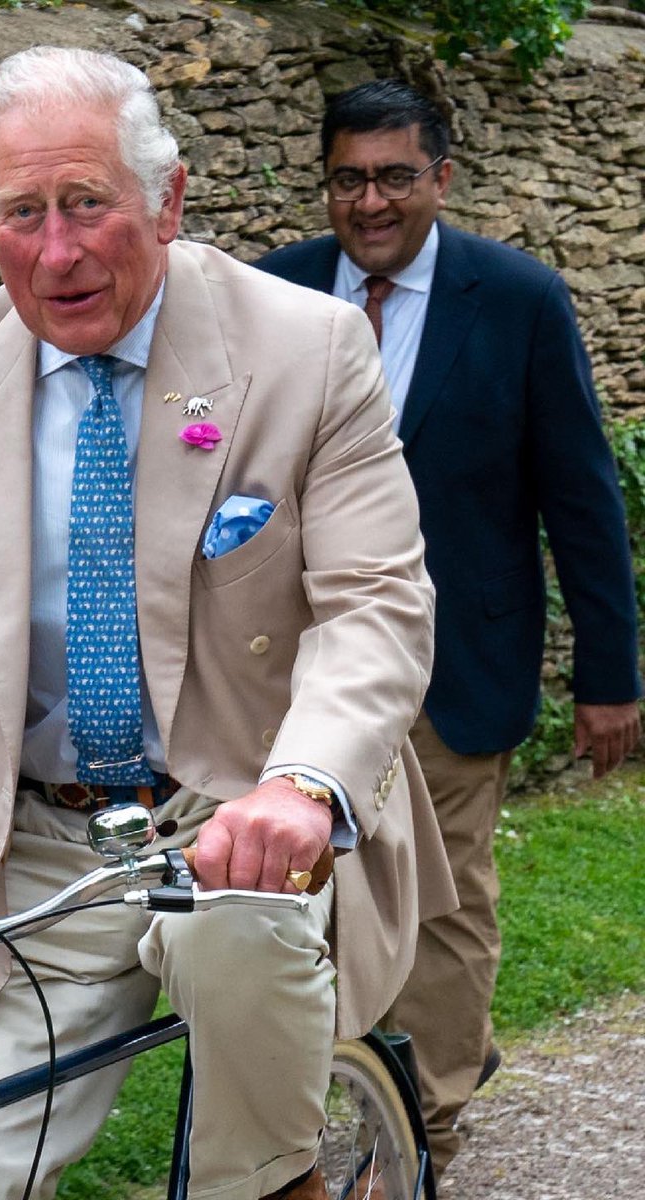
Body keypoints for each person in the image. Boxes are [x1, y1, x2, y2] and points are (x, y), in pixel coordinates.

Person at [0, 49, 455, 1200]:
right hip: (36, 848)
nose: (57, 251)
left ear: (167, 201)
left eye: (87, 204)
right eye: (22, 213)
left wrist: (302, 786)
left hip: (237, 821)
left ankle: (278, 1182)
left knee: (247, 1059)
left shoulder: (307, 350)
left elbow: (372, 603)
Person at [255, 78, 642, 1180]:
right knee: (294, 901)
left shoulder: (517, 300)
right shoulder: (275, 293)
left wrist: (609, 676)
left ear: (441, 178)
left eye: (393, 176)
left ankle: (423, 1130)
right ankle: (308, 1122)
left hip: (458, 660)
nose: (369, 201)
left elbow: (582, 497)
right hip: (299, 666)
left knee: (444, 899)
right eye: (347, 178)